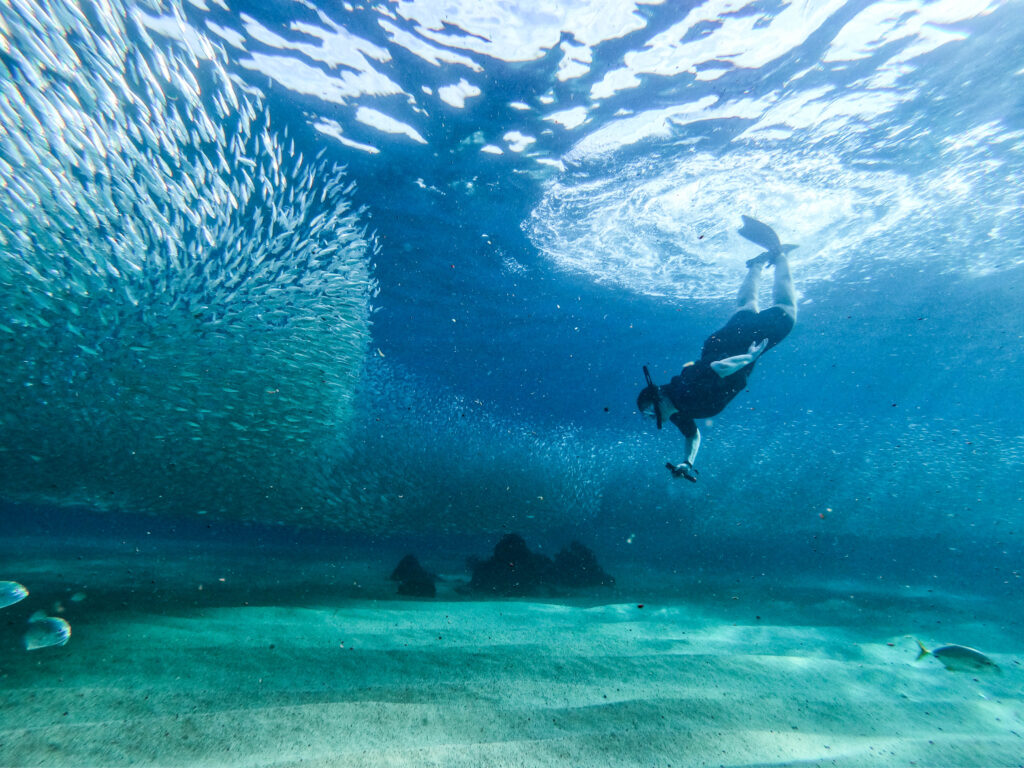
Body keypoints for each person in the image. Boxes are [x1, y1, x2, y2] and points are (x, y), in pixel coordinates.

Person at [637, 216, 798, 482]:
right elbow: (693, 435)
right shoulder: (677, 409)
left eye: (650, 412)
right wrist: (687, 462)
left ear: (660, 400)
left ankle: (779, 258)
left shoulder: (684, 398)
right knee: (746, 306)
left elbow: (718, 369)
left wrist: (749, 357)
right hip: (719, 343)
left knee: (786, 310)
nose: (654, 418)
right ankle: (757, 265)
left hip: (737, 350)